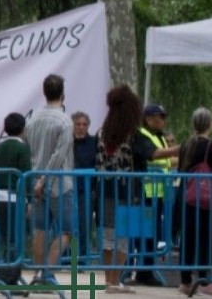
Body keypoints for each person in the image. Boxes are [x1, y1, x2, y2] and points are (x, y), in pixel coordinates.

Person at [94, 85, 178, 294]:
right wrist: (179, 149)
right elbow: (154, 153)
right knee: (124, 236)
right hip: (129, 192)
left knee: (108, 235)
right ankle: (115, 281)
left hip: (105, 190)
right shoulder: (132, 134)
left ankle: (109, 280)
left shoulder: (102, 133)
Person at [25, 74, 77, 285]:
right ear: (62, 93)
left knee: (40, 229)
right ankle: (48, 271)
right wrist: (45, 180)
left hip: (35, 178)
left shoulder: (33, 120)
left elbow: (30, 151)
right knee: (67, 231)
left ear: (44, 93)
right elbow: (59, 154)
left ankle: (38, 272)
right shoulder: (65, 121)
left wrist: (37, 180)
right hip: (59, 183)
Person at [176, 107, 212, 297]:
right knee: (206, 239)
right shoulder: (211, 146)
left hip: (187, 198)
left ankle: (185, 281)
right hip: (206, 201)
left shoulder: (186, 143)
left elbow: (182, 168)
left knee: (187, 240)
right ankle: (204, 281)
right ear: (209, 124)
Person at [129, 103, 173, 287]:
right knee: (143, 233)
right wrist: (181, 149)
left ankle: (145, 271)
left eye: (163, 117)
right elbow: (153, 154)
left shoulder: (159, 136)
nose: (162, 120)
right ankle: (139, 272)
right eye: (159, 117)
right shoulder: (141, 134)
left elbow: (166, 160)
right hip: (145, 192)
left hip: (158, 193)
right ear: (148, 118)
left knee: (152, 234)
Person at [0, 112, 31, 286]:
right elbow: (26, 174)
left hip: (0, 198)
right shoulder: (23, 148)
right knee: (18, 238)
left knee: (6, 237)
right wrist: (28, 199)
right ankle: (10, 275)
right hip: (16, 198)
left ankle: (7, 271)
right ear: (23, 129)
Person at [72, 111, 98, 262]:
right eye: (78, 124)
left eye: (84, 124)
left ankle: (80, 260)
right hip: (68, 190)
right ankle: (66, 258)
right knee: (67, 226)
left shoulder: (94, 142)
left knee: (84, 226)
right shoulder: (67, 142)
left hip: (87, 191)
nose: (81, 127)